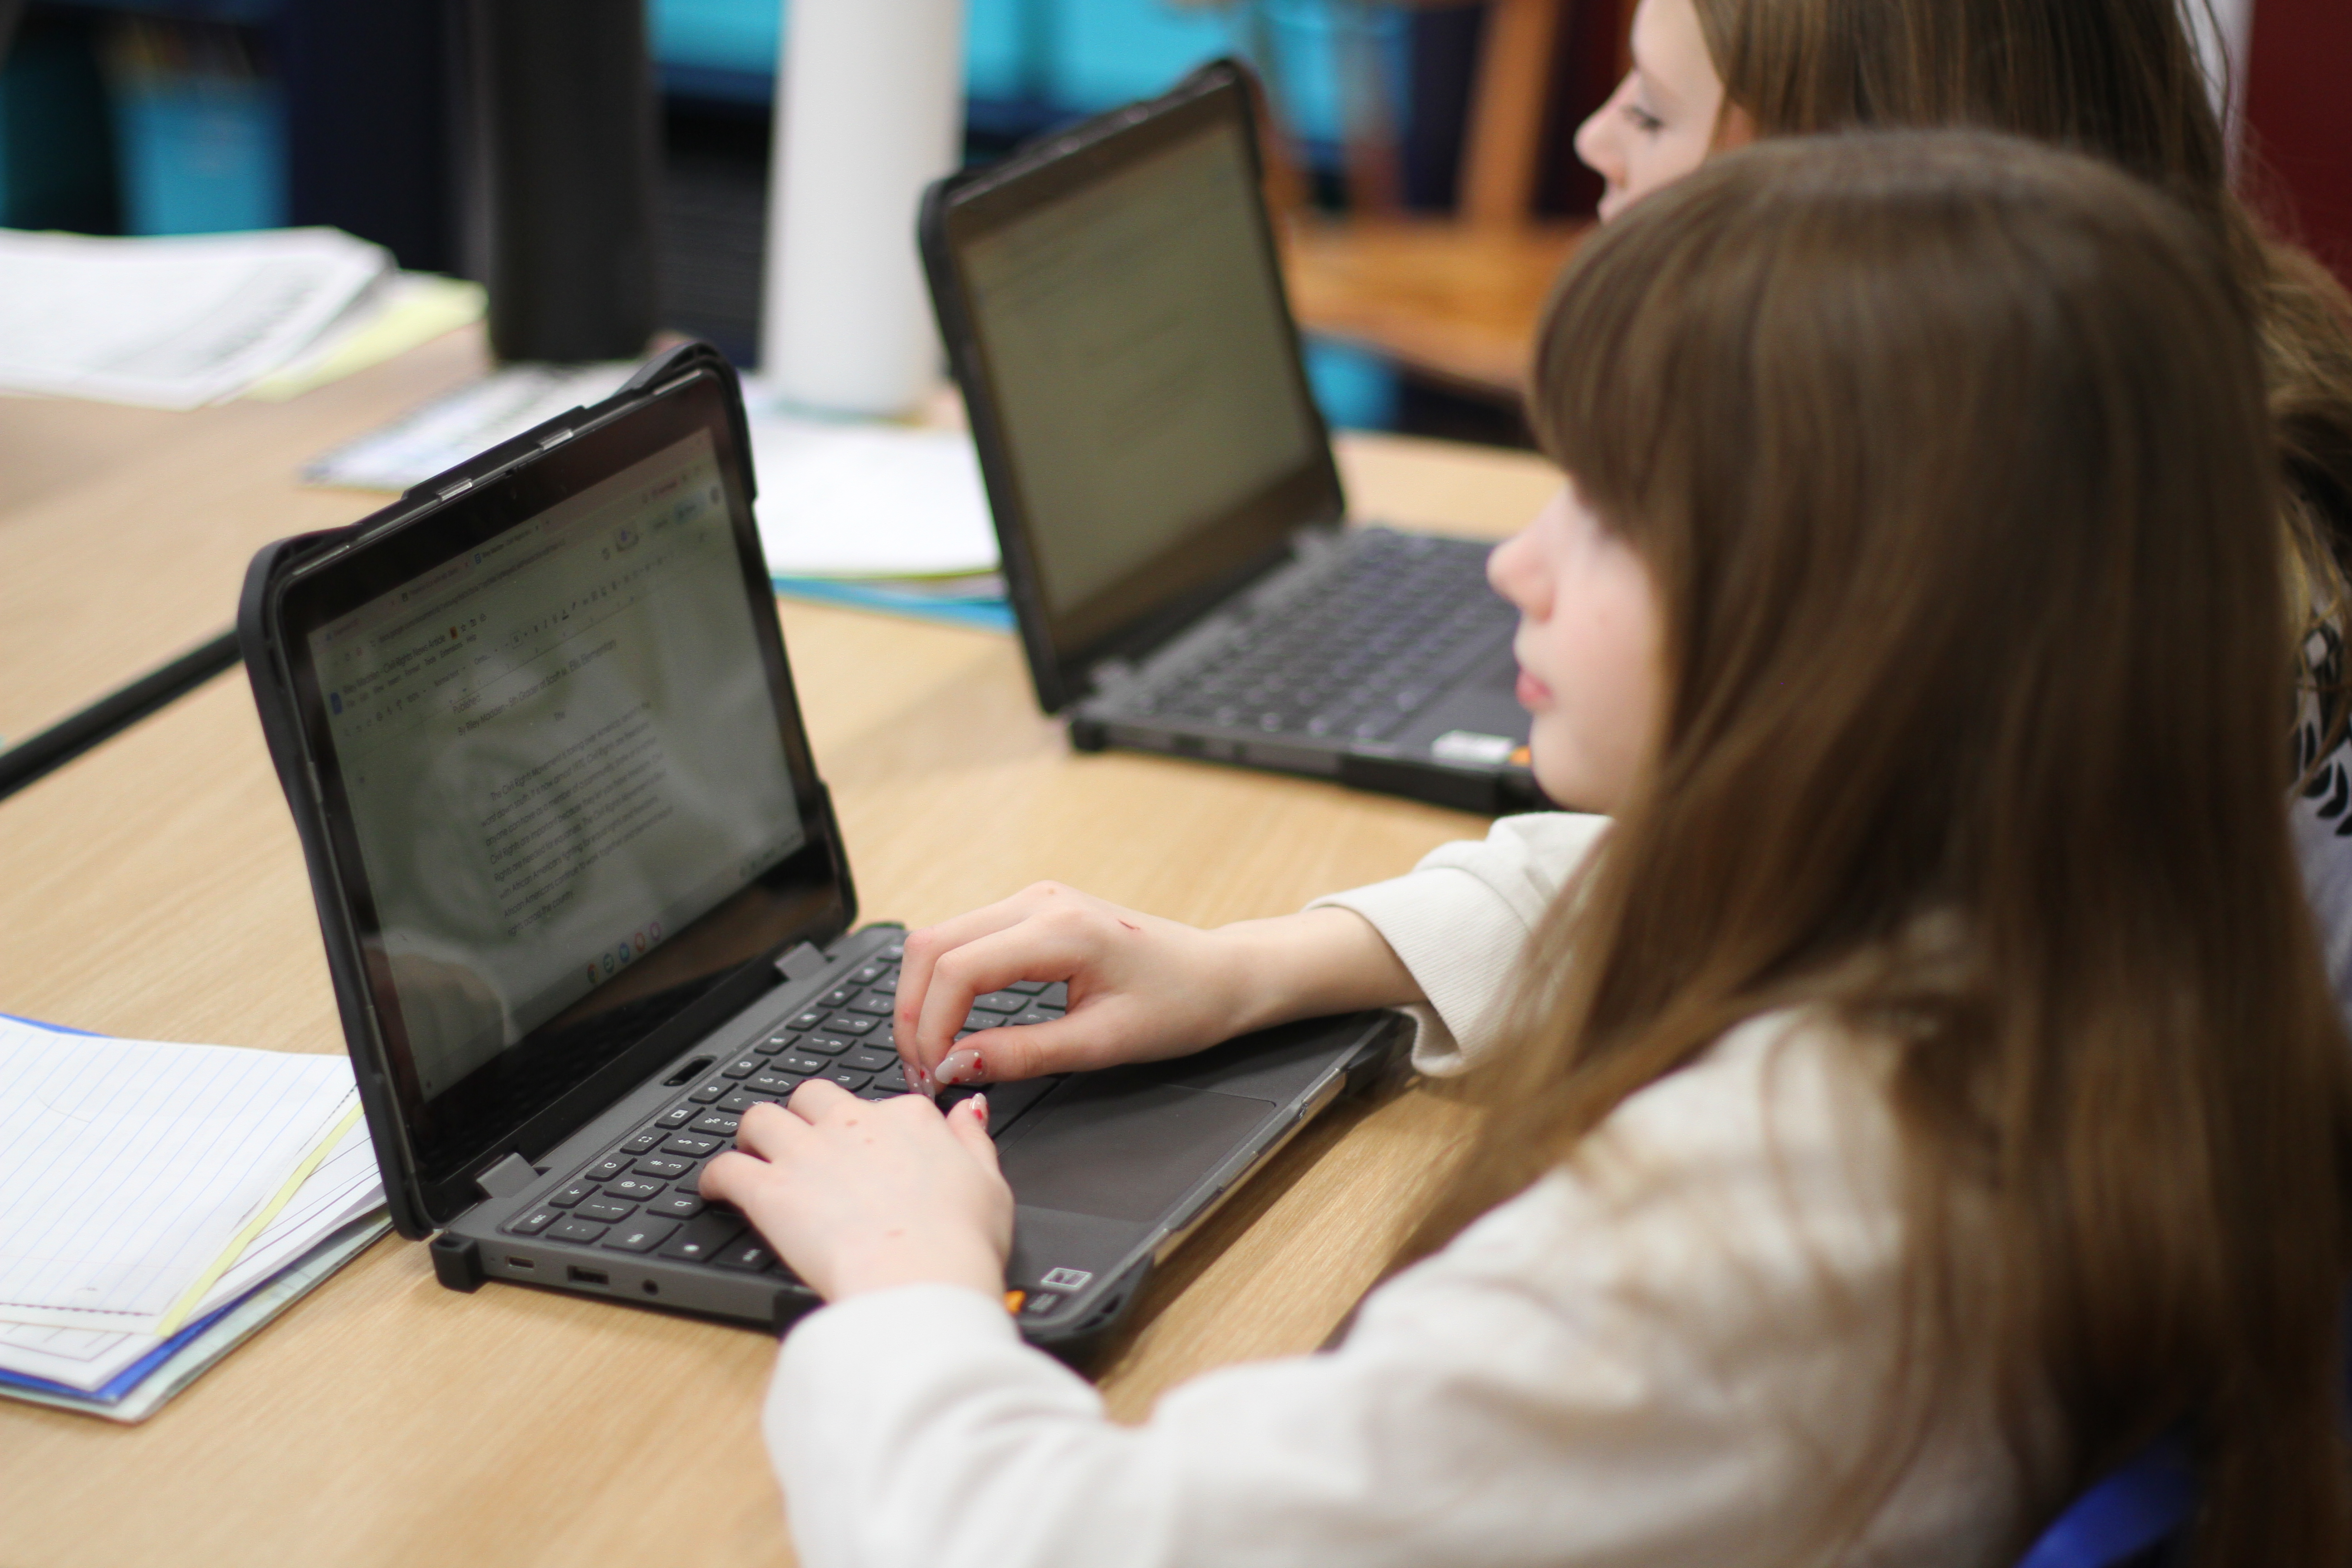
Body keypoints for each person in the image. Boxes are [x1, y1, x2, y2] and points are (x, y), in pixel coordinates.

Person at [701, 133, 2352, 1567]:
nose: (1516, 561)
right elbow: (1654, 877)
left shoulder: (1740, 1236)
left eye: (1612, 510)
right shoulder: (2103, 909)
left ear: (1866, 617)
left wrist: (912, 1275)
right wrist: (1252, 967)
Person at [1573, 0, 2352, 1005]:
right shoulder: (2200, 384)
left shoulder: (2061, 607)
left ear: (1860, 191)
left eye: (1649, 113)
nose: (1595, 138)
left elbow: (1789, 929)